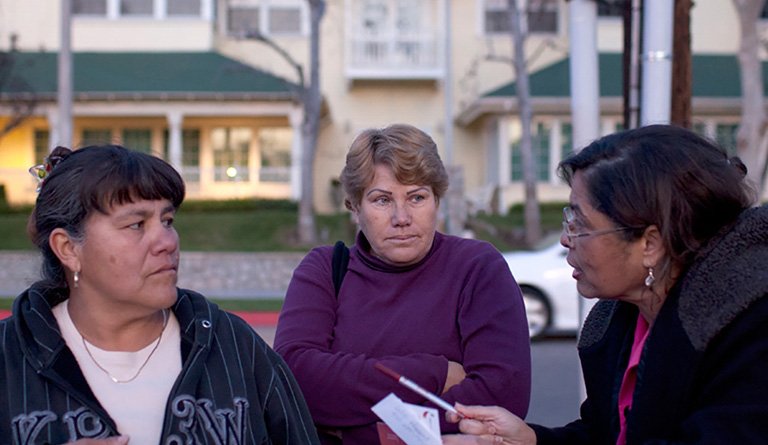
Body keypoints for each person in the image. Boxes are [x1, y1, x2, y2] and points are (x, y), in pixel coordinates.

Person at [443, 124, 768, 445]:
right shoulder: (623, 321)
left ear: (650, 244)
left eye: (579, 223)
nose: (565, 239)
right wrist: (529, 441)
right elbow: (603, 435)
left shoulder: (752, 326)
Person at [0, 145, 320, 444]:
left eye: (167, 221)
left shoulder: (235, 347)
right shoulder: (9, 358)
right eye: (137, 224)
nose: (167, 241)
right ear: (68, 248)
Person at [273, 124, 531, 444]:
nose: (401, 217)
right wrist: (434, 373)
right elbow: (294, 378)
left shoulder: (477, 268)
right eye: (381, 200)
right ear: (354, 207)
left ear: (437, 199)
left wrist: (365, 434)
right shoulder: (325, 269)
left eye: (417, 197)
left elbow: (502, 395)